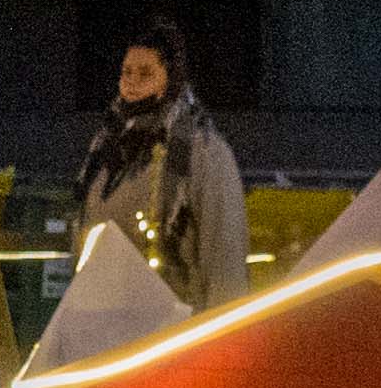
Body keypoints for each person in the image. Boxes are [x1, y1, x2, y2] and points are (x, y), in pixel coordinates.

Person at [72, 16, 251, 307]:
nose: (131, 83)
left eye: (145, 73)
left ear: (171, 78)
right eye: (126, 72)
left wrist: (223, 340)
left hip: (173, 326)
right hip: (107, 324)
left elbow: (224, 259)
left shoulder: (201, 151)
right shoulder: (105, 152)